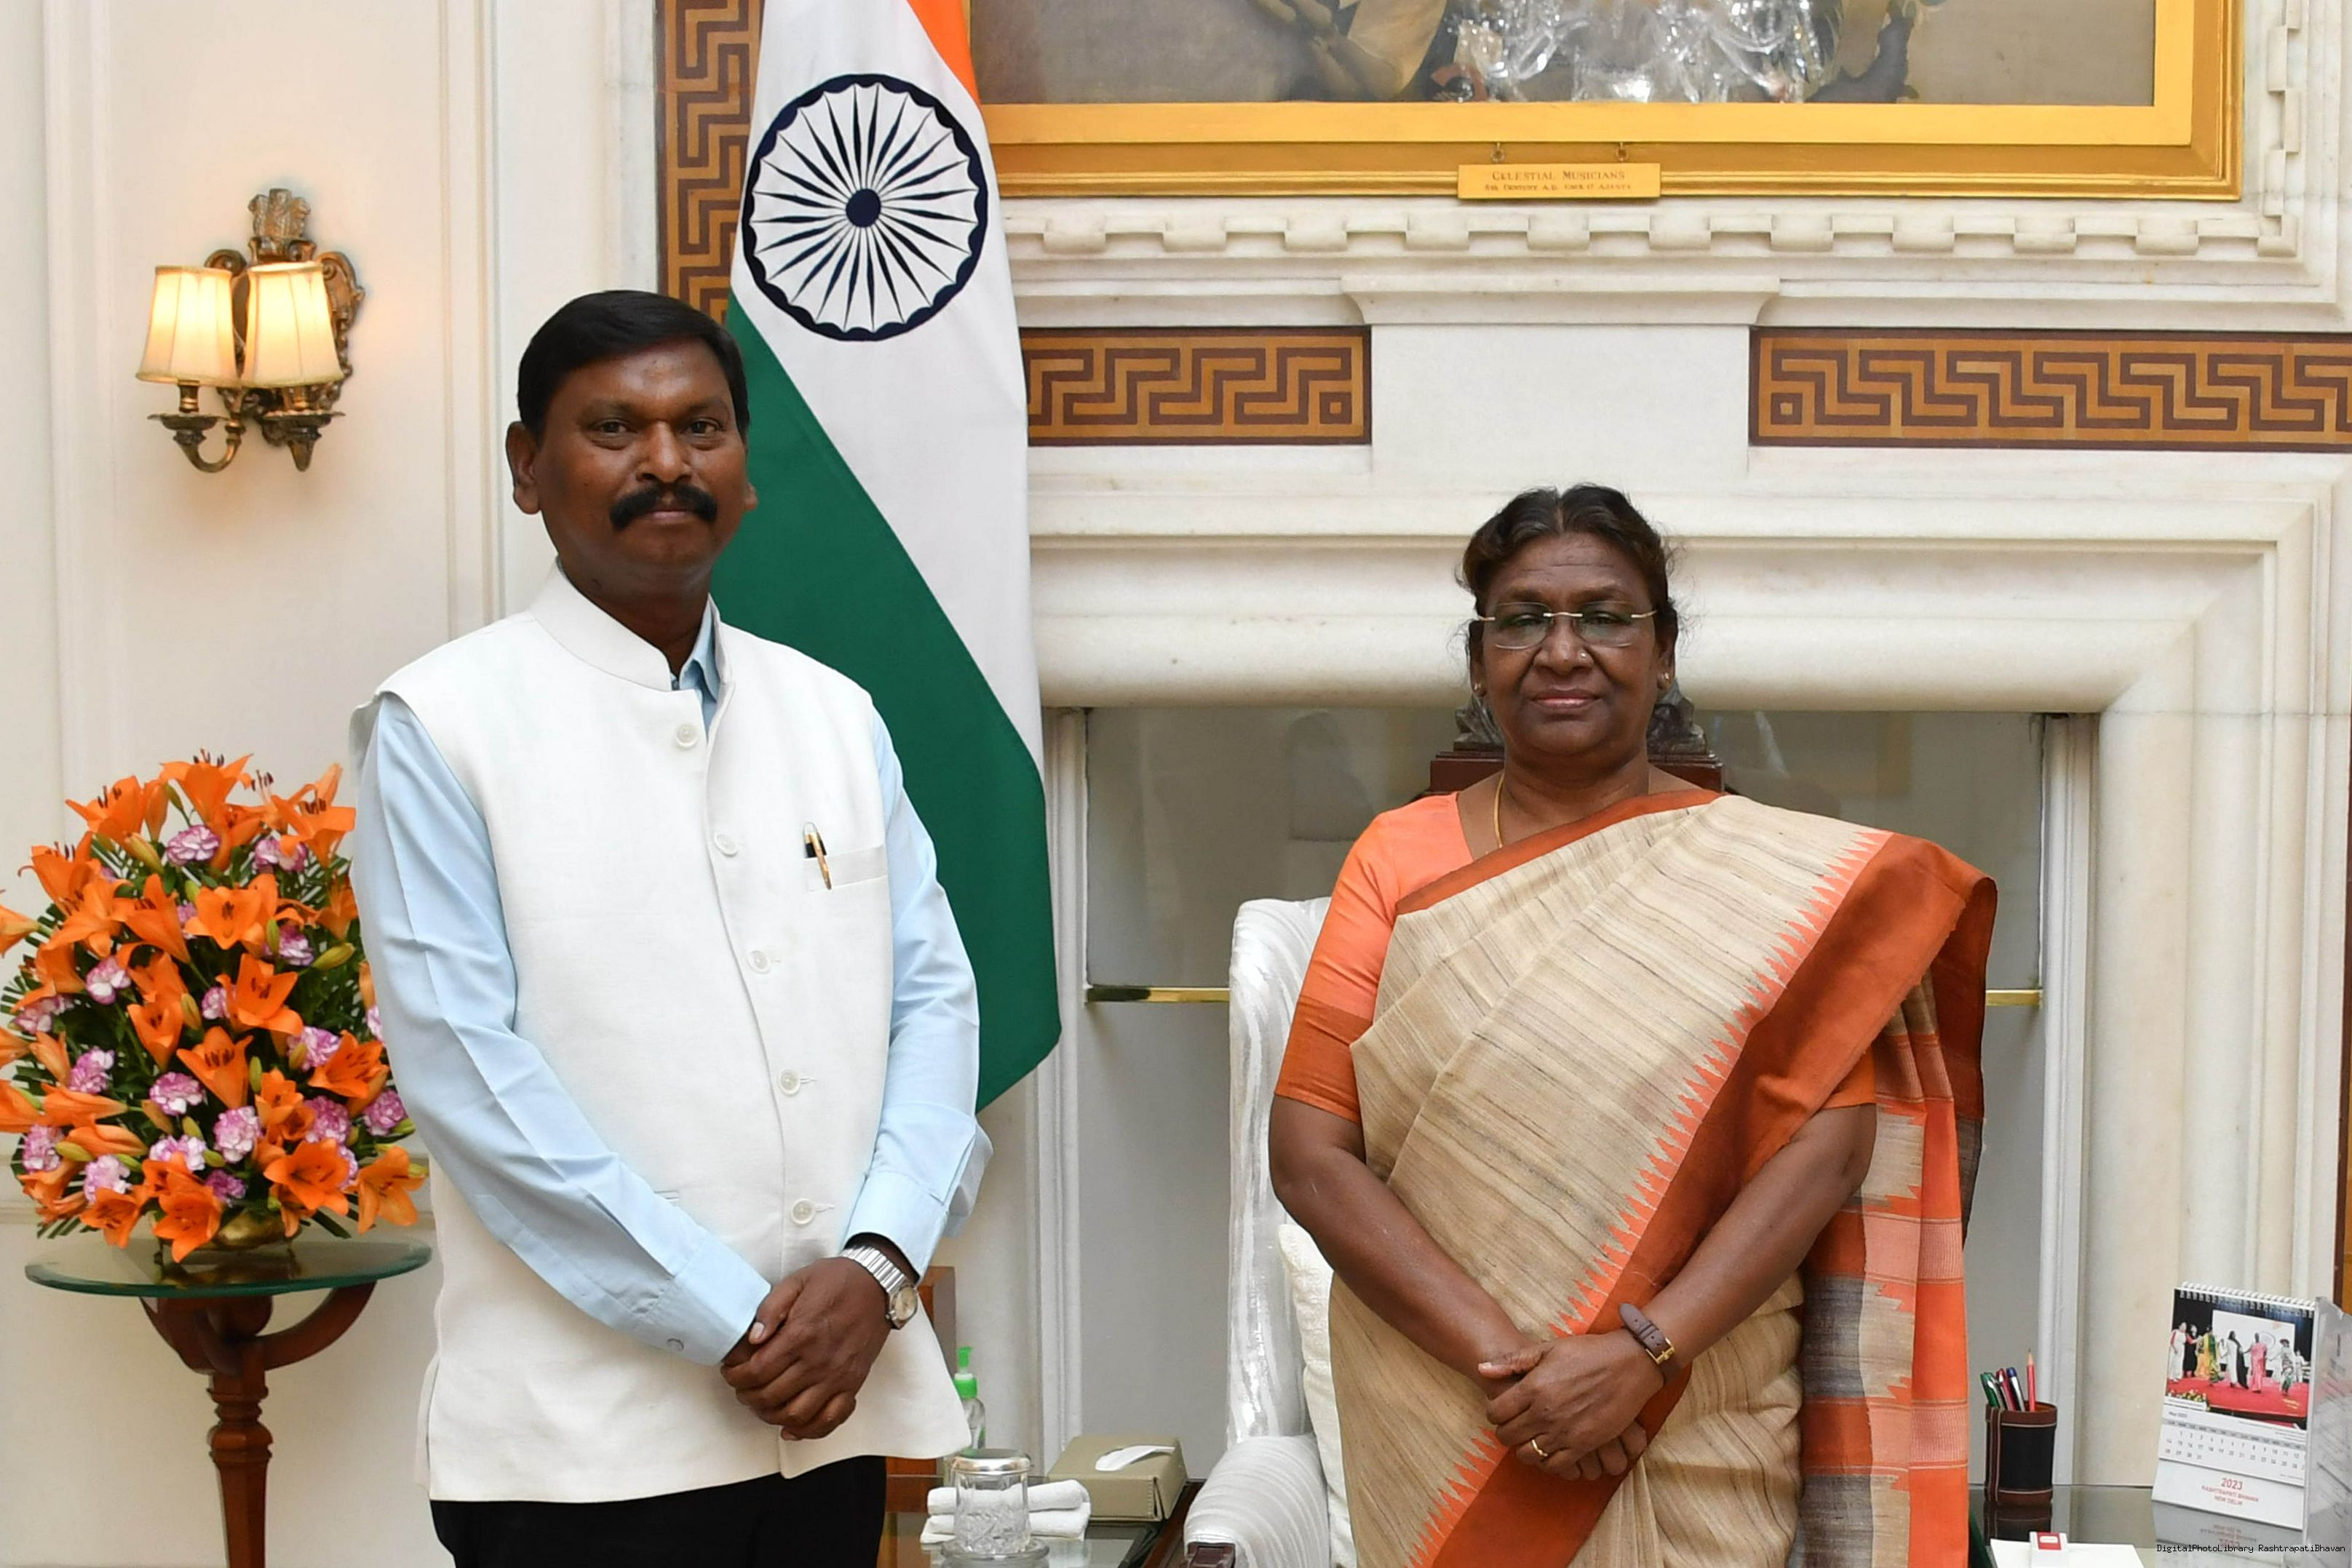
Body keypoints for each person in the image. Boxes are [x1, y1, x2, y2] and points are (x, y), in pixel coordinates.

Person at [348, 290, 985, 1567]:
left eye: (701, 427)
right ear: (528, 468)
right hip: (579, 1456)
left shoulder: (835, 713)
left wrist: (876, 1270)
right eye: (613, 429)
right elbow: (473, 1080)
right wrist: (740, 1323)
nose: (665, 463)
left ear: (744, 470)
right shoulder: (442, 726)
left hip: (831, 1419)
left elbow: (934, 1009)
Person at [1268, 485, 1995, 1568]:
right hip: (1451, 1409)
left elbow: (1826, 1145)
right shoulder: (1397, 857)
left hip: (1702, 1406)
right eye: (1523, 619)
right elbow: (1311, 1154)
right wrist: (1518, 1373)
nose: (1562, 651)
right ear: (1478, 660)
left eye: (1605, 617)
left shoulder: (1766, 876)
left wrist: (1641, 1358)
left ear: (1664, 655)